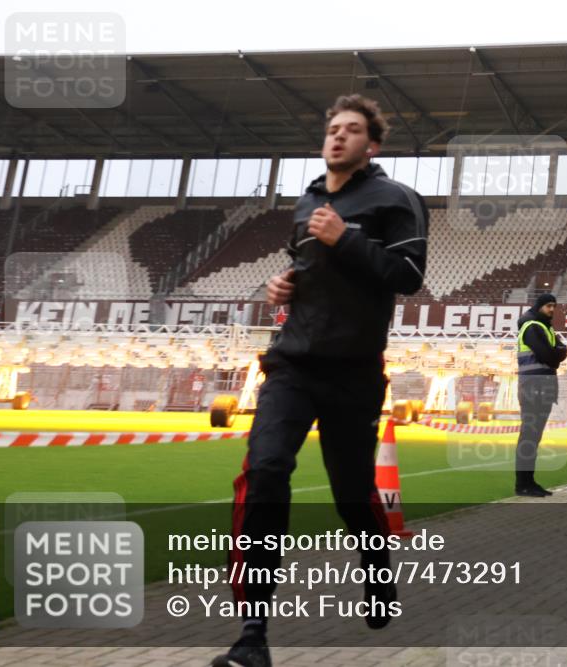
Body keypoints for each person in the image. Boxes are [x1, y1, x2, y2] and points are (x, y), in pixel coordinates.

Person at [213, 94, 428, 667]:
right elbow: (306, 267)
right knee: (264, 472)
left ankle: (377, 569)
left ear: (371, 145)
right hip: (291, 364)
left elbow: (408, 275)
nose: (337, 137)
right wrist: (282, 285)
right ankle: (252, 633)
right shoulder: (305, 201)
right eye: (332, 128)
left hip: (355, 372)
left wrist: (347, 238)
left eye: (351, 130)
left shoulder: (396, 199)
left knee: (351, 495)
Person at [515, 293, 567, 497]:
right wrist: (556, 354)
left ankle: (529, 482)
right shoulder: (532, 327)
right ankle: (523, 484)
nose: (552, 309)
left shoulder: (545, 327)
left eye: (554, 306)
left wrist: (556, 353)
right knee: (529, 437)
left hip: (542, 387)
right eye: (548, 306)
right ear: (539, 307)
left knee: (533, 438)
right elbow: (550, 356)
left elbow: (561, 350)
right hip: (533, 387)